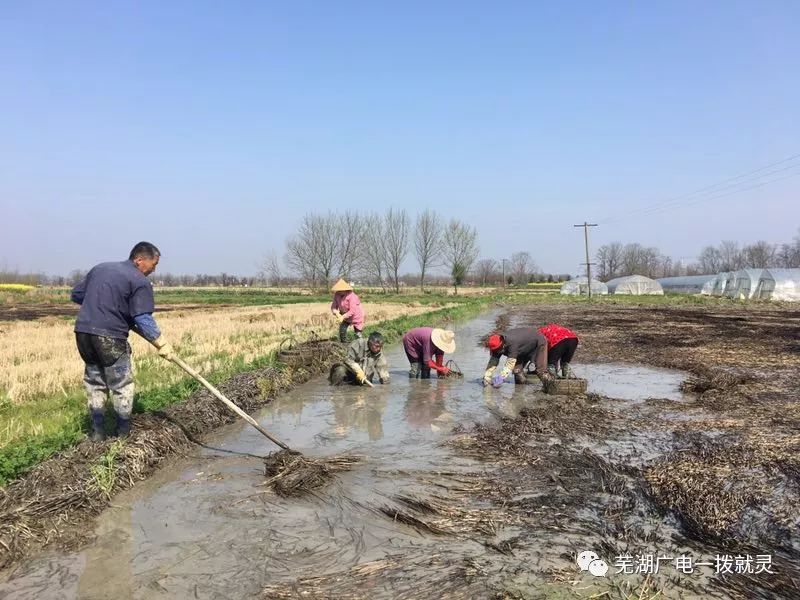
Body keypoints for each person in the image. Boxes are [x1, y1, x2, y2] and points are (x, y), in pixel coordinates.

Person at [71, 242, 174, 441]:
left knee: (95, 382)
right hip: (109, 336)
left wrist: (102, 304)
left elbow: (76, 295)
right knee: (121, 384)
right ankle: (123, 435)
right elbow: (143, 318)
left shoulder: (101, 268)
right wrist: (161, 343)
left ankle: (97, 433)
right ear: (139, 260)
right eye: (154, 264)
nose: (154, 269)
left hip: (83, 332)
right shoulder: (139, 281)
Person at [483, 327, 553, 387]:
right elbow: (493, 362)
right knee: (517, 371)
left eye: (498, 349)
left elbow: (510, 364)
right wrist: (487, 377)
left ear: (502, 345)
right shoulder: (496, 344)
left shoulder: (512, 343)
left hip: (538, 342)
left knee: (541, 371)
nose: (497, 352)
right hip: (522, 347)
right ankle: (519, 392)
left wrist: (502, 377)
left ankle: (551, 387)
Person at [330, 278, 365, 342]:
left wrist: (343, 316)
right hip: (345, 316)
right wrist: (337, 313)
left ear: (345, 289)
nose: (339, 292)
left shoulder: (352, 296)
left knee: (357, 334)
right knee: (342, 331)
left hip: (356, 316)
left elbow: (352, 310)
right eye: (338, 290)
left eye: (341, 290)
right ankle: (344, 344)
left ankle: (360, 345)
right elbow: (333, 307)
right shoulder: (337, 295)